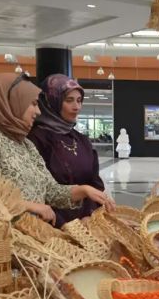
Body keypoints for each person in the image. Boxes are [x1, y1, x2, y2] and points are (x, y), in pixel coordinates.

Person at [0, 73, 114, 225]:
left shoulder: (23, 142)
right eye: (33, 104)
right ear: (12, 102)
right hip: (1, 242)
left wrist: (84, 190)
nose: (38, 111)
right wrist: (28, 206)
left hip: (32, 235)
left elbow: (49, 189)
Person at [27, 74, 106, 227]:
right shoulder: (37, 139)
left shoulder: (81, 140)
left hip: (86, 224)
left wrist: (90, 216)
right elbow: (39, 190)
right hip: (52, 224)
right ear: (51, 101)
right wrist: (66, 226)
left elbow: (95, 183)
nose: (77, 107)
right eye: (69, 100)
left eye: (79, 100)